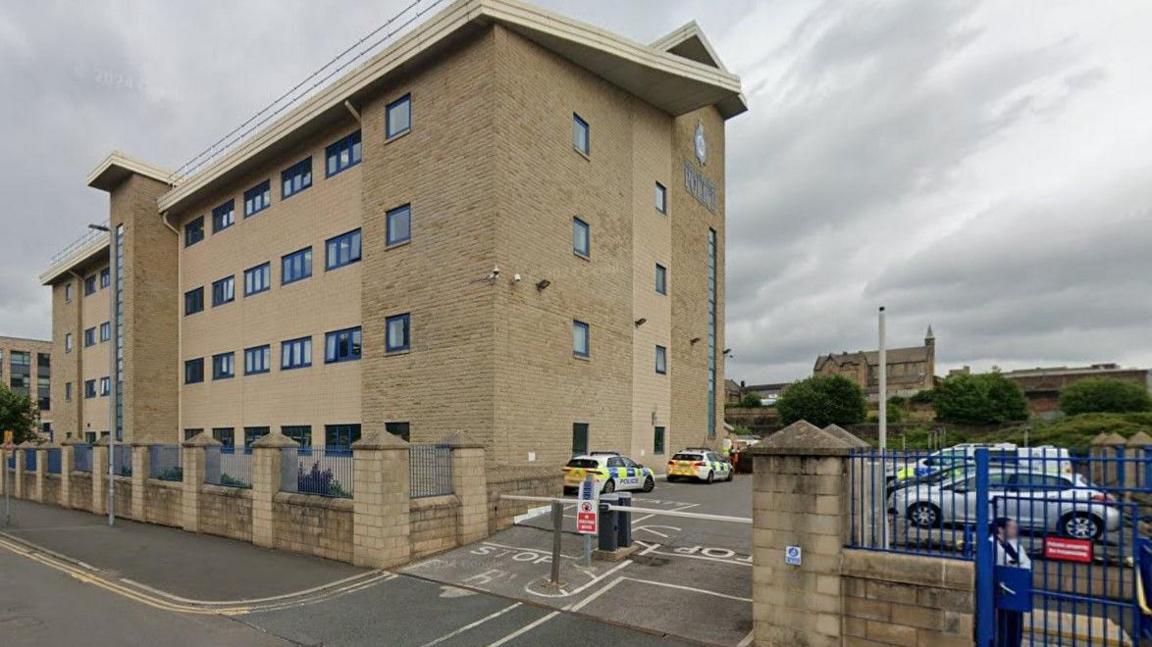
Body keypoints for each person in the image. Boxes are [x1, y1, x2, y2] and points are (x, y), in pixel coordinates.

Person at [991, 517, 1030, 647]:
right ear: (1001, 529)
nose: (1015, 530)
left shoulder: (1014, 544)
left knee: (1016, 623)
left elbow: (1027, 563)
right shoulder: (991, 544)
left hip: (1018, 588)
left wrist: (1014, 565)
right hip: (1002, 590)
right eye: (1012, 527)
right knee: (1003, 624)